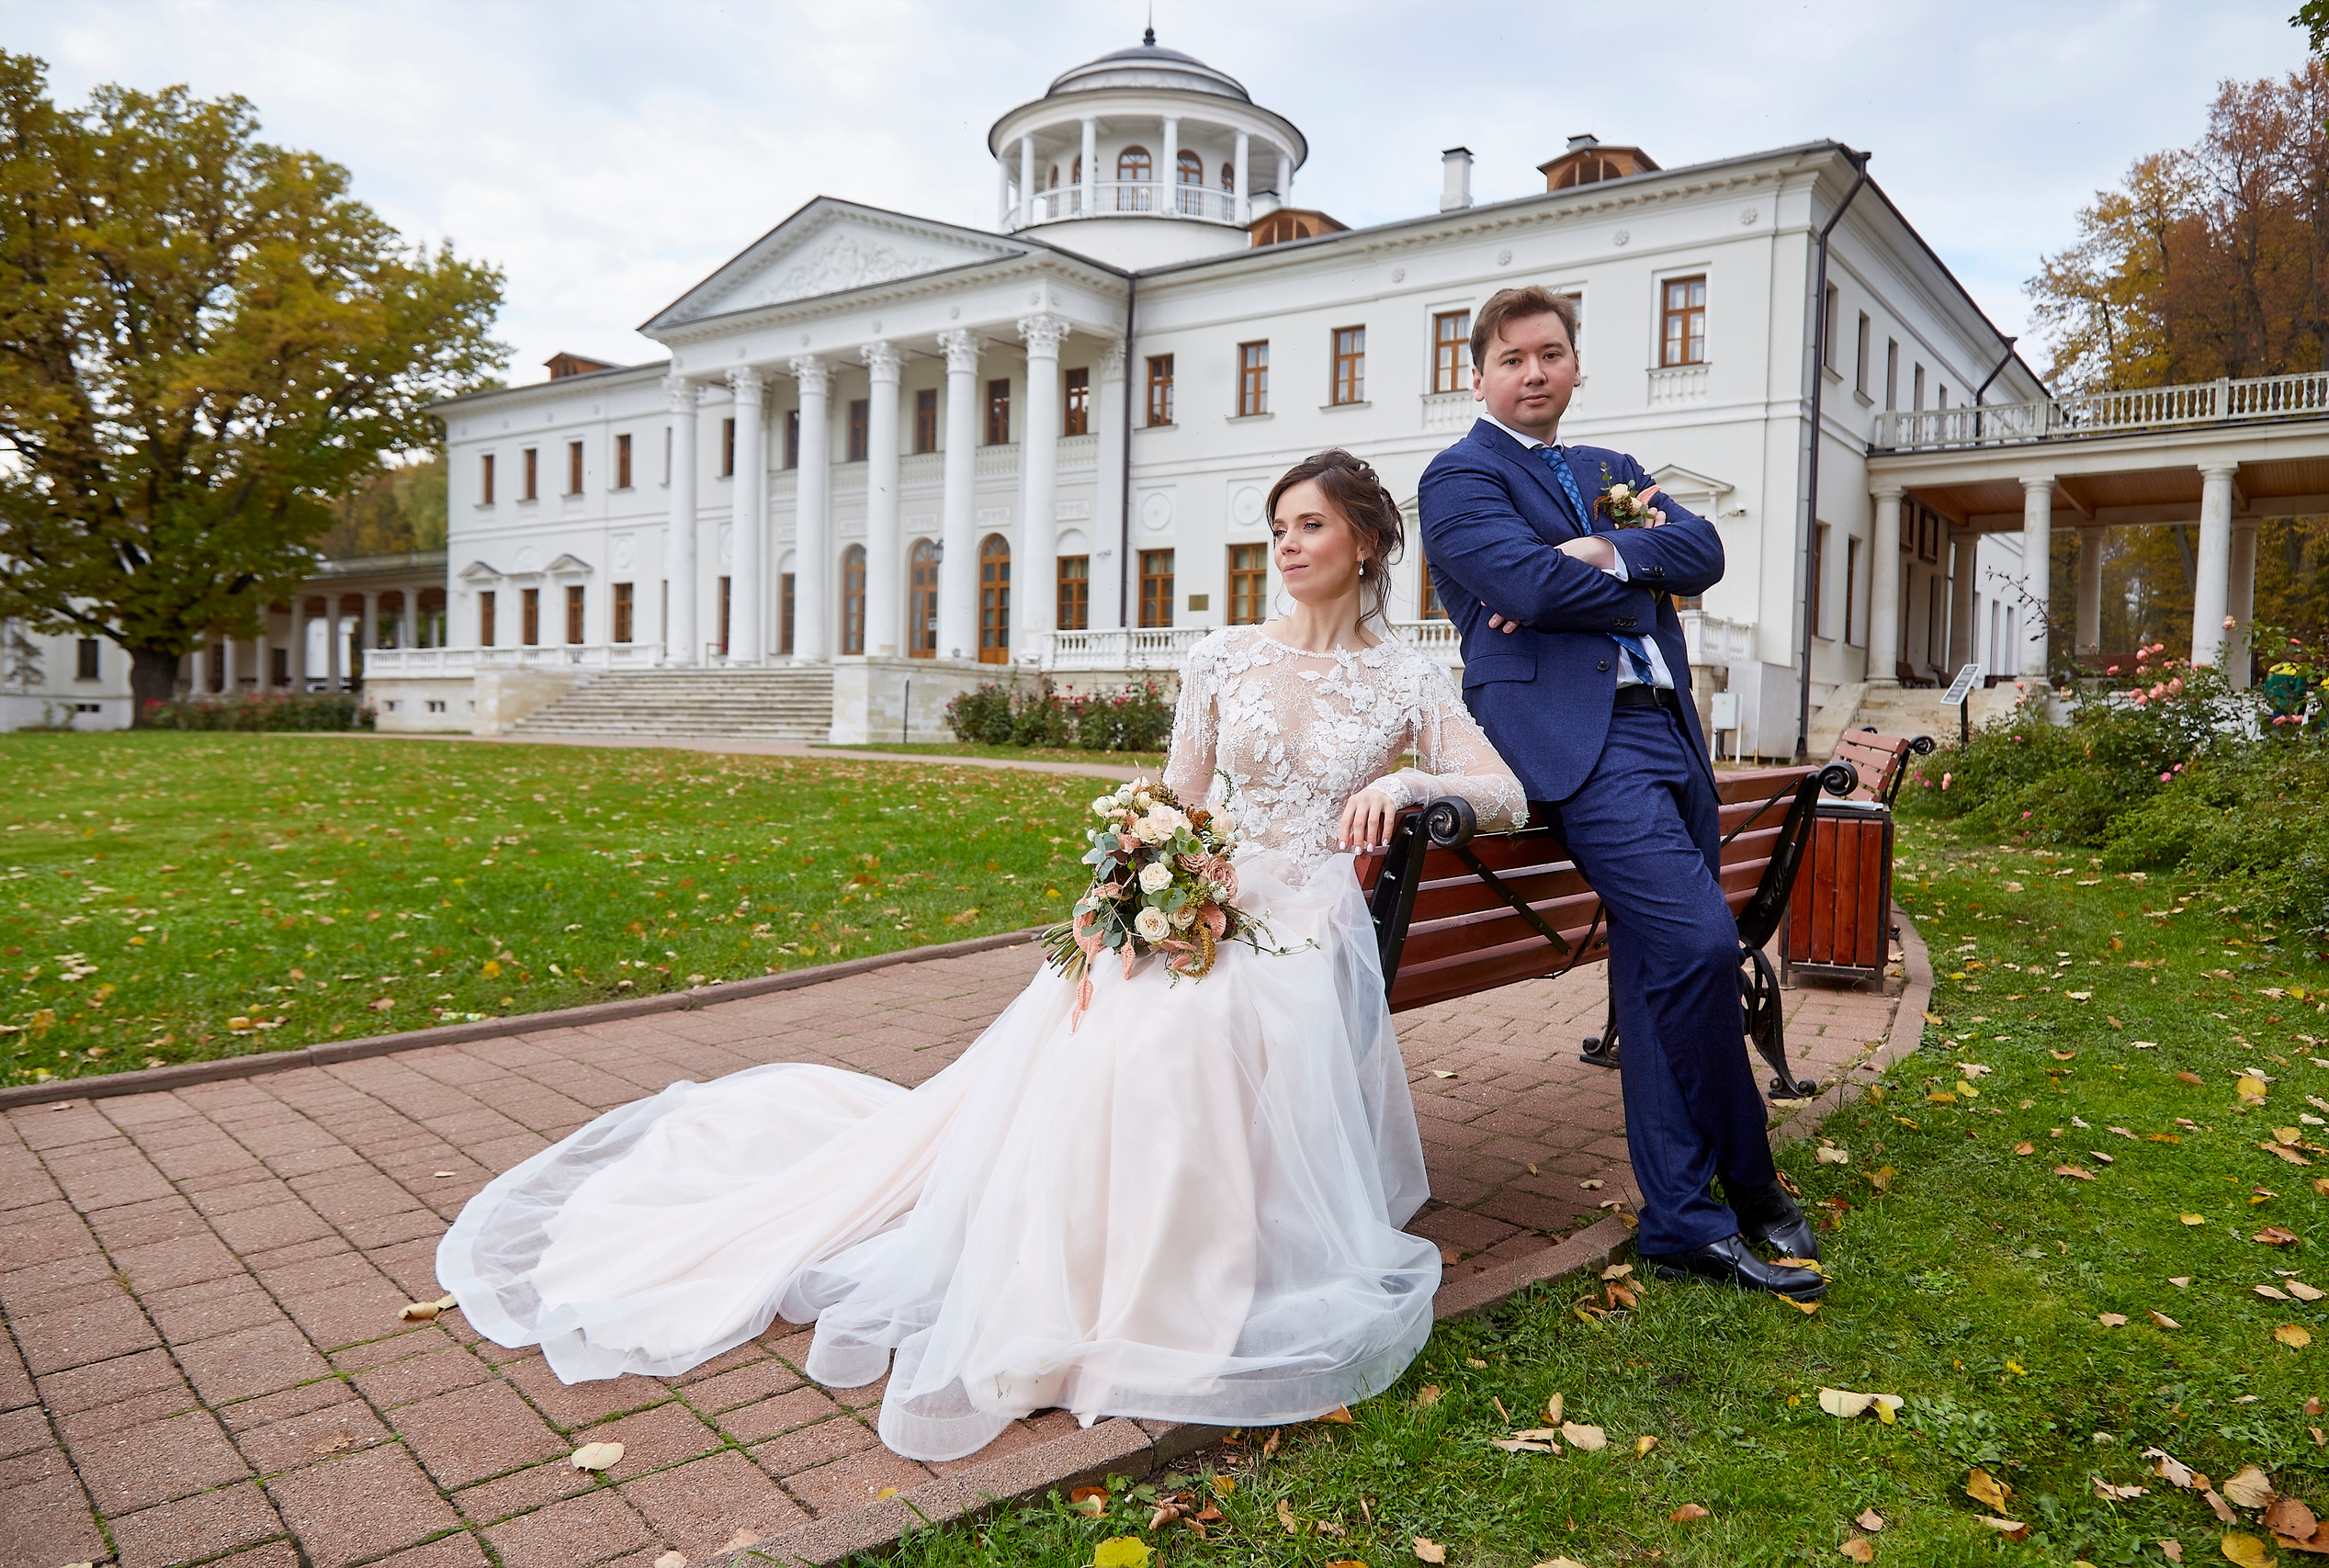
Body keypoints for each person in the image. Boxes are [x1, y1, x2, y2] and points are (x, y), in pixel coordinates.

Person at [435, 448, 1528, 1462]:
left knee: (1192, 1027)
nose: (1286, 545)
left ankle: (1184, 1272)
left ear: (1367, 543)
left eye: (1310, 526)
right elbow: (1179, 799)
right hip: (1204, 900)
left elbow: (1504, 792)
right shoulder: (1222, 656)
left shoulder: (1406, 679)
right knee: (1136, 1017)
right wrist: (1138, 893)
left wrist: (1408, 780)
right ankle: (1094, 1257)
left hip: (1303, 927)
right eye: (1278, 527)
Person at [1417, 285, 1825, 1302]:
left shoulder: (1613, 471)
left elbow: (1705, 553)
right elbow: (1525, 586)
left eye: (1550, 353)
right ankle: (1749, 1176)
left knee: (1660, 970)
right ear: (1478, 375)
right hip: (1584, 741)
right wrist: (1638, 586)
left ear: (1575, 364)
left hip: (1671, 727)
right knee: (1700, 947)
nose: (1534, 372)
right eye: (1512, 358)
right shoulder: (1459, 476)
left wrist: (1603, 548)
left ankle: (1680, 1220)